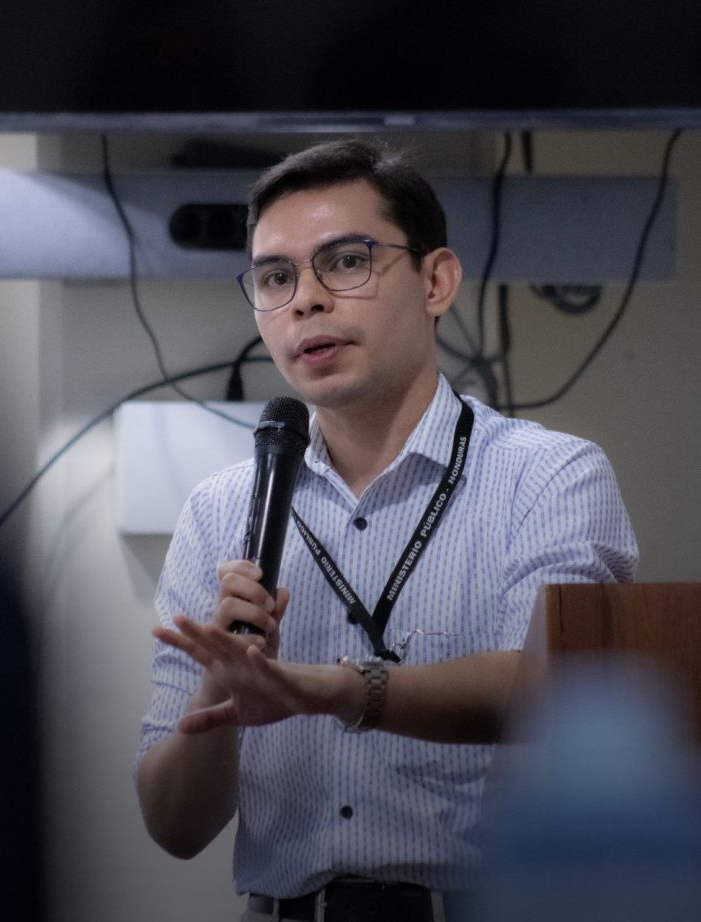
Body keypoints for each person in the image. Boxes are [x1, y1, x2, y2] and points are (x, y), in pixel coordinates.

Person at [136, 139, 638, 921]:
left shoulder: (550, 475)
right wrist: (222, 685)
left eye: (345, 262)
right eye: (275, 278)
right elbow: (172, 825)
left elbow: (557, 695)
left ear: (436, 281)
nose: (305, 301)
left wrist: (341, 690)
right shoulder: (218, 511)